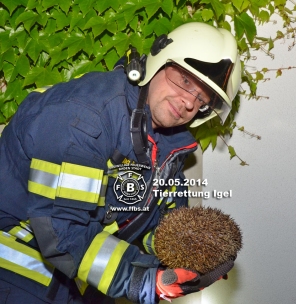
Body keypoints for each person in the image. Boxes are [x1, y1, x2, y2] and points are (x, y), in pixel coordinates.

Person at [0, 22, 241, 304]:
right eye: (186, 81)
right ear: (158, 61)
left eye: (202, 99)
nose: (189, 102)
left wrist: (195, 247)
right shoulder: (85, 116)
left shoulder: (167, 144)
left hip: (83, 283)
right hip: (18, 273)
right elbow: (62, 232)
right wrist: (142, 281)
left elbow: (156, 225)